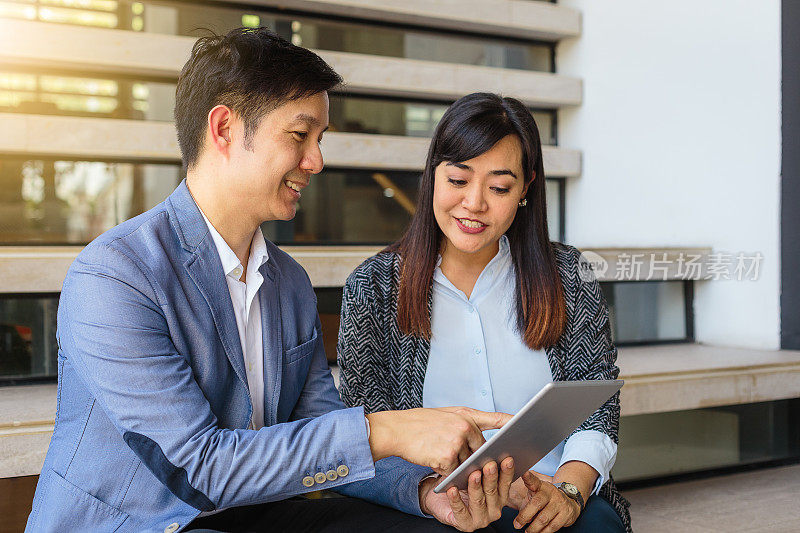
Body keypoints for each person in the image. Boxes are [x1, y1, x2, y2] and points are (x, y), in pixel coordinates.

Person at [24, 30, 516, 533]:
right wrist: (385, 429)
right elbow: (203, 467)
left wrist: (424, 493)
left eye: (319, 140)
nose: (316, 161)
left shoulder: (288, 282)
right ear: (224, 129)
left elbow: (320, 433)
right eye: (300, 135)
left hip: (258, 516)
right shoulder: (116, 275)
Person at [337, 93, 632, 533]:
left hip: (550, 490)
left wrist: (569, 492)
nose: (474, 204)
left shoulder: (568, 276)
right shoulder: (375, 288)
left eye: (498, 187)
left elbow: (596, 405)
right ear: (432, 177)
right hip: (438, 504)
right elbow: (365, 433)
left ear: (525, 190)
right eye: (458, 180)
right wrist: (430, 494)